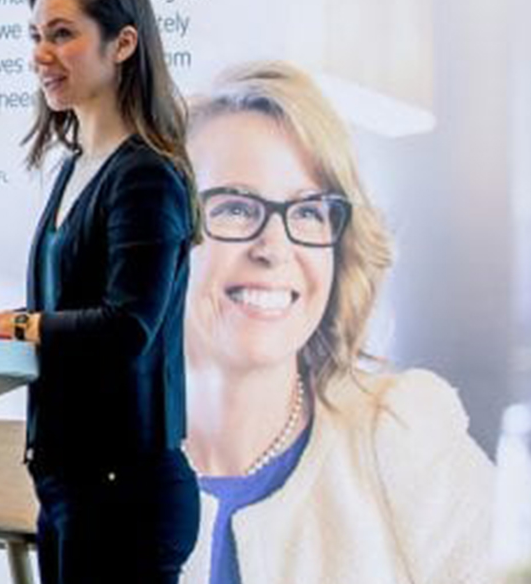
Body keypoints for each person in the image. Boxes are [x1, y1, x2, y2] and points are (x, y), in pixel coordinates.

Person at [0, 0, 202, 583]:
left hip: (125, 491)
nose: (41, 54)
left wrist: (5, 323)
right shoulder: (75, 169)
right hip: (69, 485)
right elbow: (68, 307)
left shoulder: (147, 175)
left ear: (123, 44)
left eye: (62, 34)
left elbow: (127, 328)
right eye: (35, 36)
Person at [179, 62, 494, 584]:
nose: (274, 248)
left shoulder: (401, 433)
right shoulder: (84, 461)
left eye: (307, 212)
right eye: (235, 208)